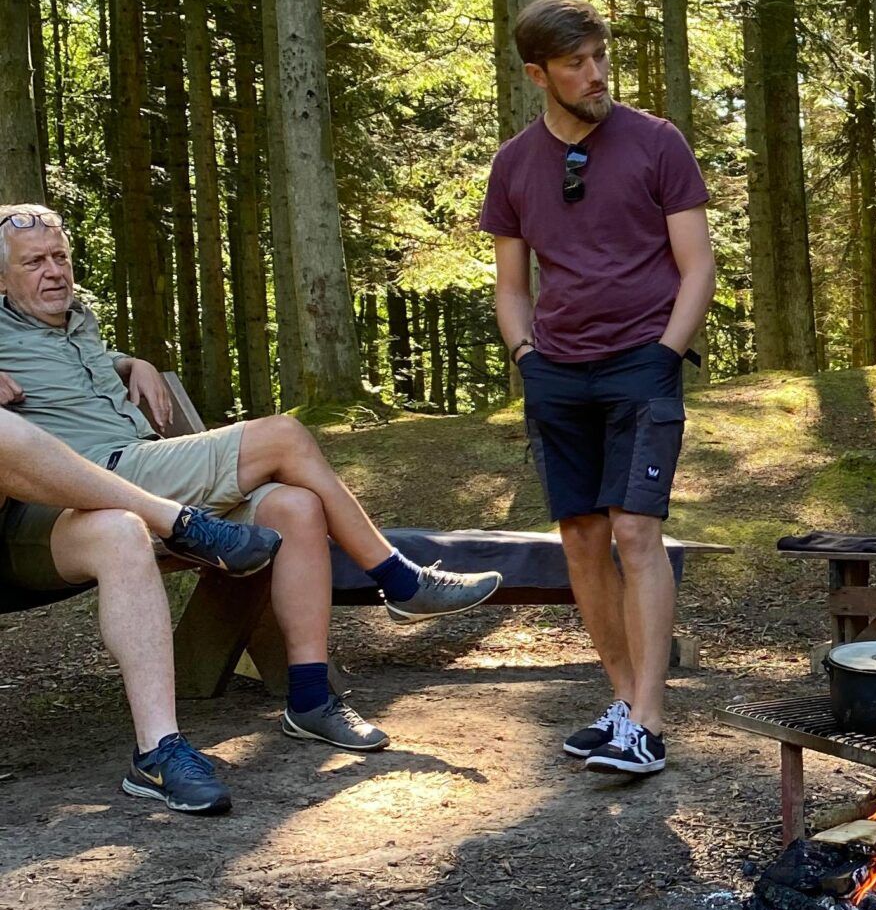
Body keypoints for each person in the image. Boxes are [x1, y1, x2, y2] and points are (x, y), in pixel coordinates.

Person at [0, 205, 502, 755]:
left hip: (153, 469)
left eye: (60, 257)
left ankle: (310, 700)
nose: (54, 272)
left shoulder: (78, 320)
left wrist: (129, 362)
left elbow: (74, 361)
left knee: (294, 508)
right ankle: (400, 580)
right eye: (34, 264)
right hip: (99, 481)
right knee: (284, 435)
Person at [484, 0, 716, 779]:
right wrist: (526, 356)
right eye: (576, 63)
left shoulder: (656, 143)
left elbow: (698, 266)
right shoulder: (515, 164)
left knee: (637, 532)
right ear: (537, 74)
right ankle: (624, 704)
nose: (594, 75)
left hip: (640, 367)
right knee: (581, 538)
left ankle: (649, 720)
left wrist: (665, 353)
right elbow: (511, 284)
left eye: (599, 58)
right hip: (557, 372)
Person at [0, 398, 282, 813]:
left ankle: (158, 752)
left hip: (15, 525)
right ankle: (177, 522)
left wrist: (127, 363)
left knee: (121, 531)